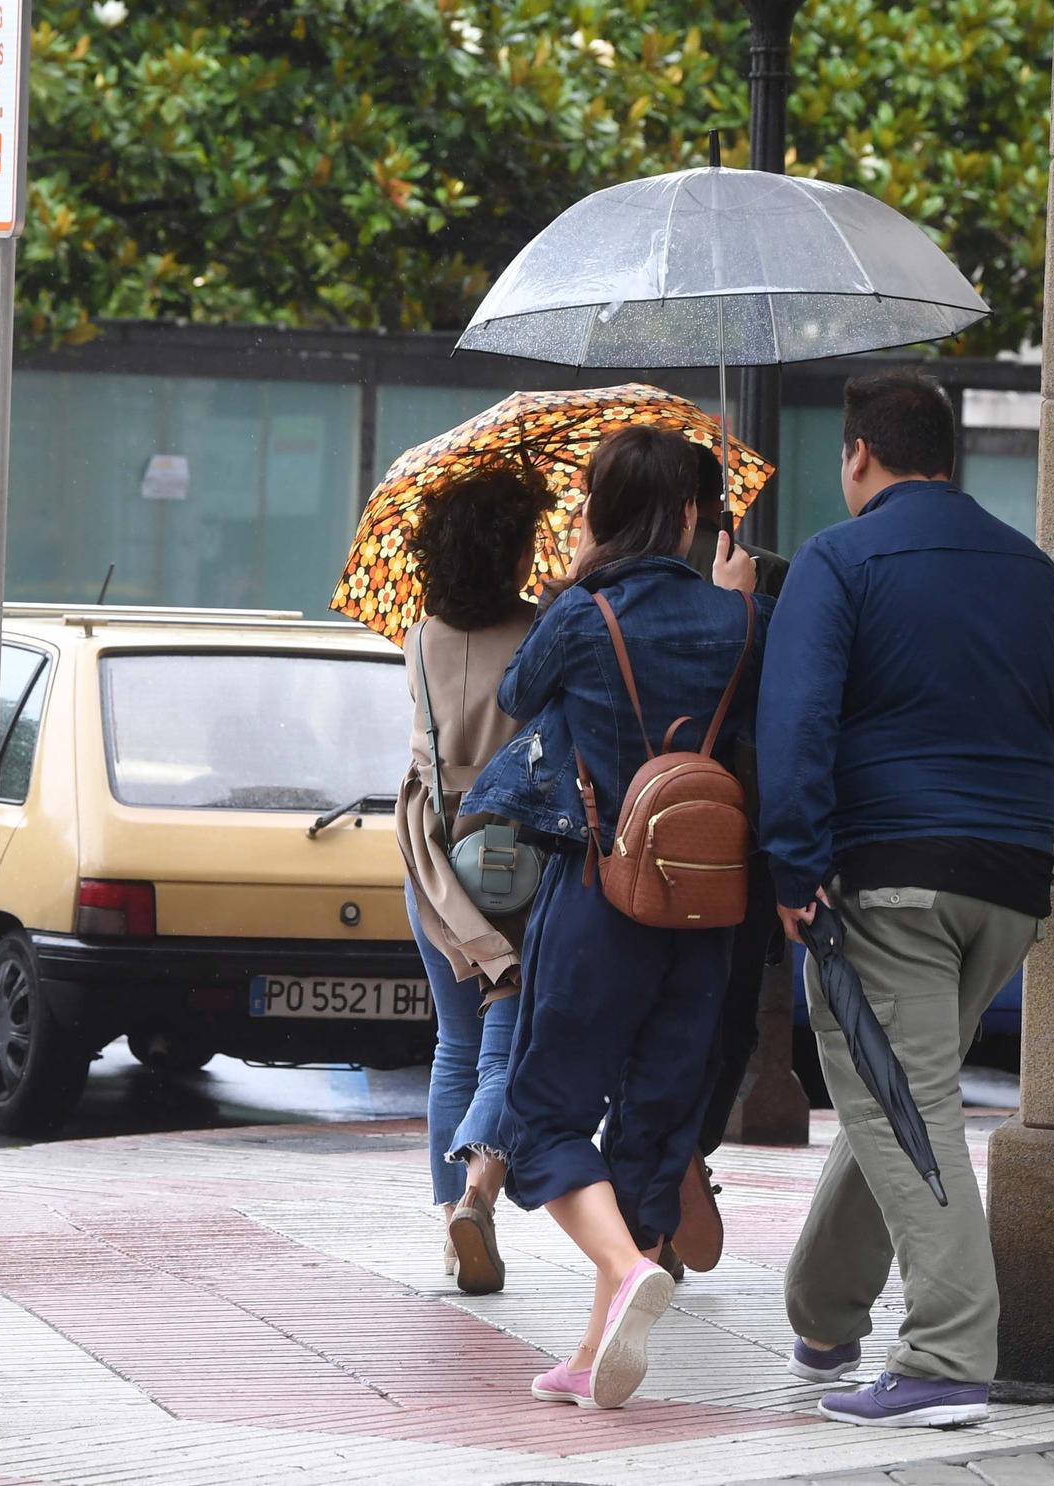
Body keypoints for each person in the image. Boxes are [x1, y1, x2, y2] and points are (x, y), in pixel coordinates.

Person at [757, 370, 1054, 1429]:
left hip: (886, 879)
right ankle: (823, 1306)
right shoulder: (1031, 571)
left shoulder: (837, 558)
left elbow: (794, 722)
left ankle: (943, 1355)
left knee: (903, 1102)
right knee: (903, 1090)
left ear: (857, 454)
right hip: (1006, 878)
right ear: (948, 454)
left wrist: (793, 869)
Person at [461, 425, 765, 1410]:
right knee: (653, 1118)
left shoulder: (581, 612)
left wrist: (570, 586)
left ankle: (627, 1276)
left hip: (600, 896)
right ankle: (595, 1351)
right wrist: (732, 602)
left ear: (604, 510)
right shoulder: (739, 620)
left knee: (542, 1115)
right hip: (707, 905)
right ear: (688, 514)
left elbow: (514, 694)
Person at [606, 460, 792, 1283]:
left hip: (733, 847)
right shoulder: (615, 595)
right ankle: (662, 1185)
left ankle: (676, 1163)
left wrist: (747, 604)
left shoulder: (767, 584)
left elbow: (792, 694)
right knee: (663, 1023)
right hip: (643, 844)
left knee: (728, 1027)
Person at [395, 464, 553, 1296]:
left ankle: (448, 1226)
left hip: (429, 858)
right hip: (514, 857)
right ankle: (474, 1201)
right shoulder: (541, 633)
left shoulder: (419, 638)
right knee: (507, 1036)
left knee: (452, 1044)